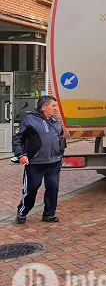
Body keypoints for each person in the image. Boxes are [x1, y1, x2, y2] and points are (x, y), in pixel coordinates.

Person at [14, 96, 66, 224]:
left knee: (53, 188)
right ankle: (22, 212)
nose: (55, 108)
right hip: (35, 163)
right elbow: (17, 139)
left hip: (54, 162)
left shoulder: (55, 120)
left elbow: (59, 137)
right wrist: (21, 155)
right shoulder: (29, 120)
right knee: (31, 189)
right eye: (53, 106)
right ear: (44, 107)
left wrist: (60, 153)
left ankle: (49, 214)